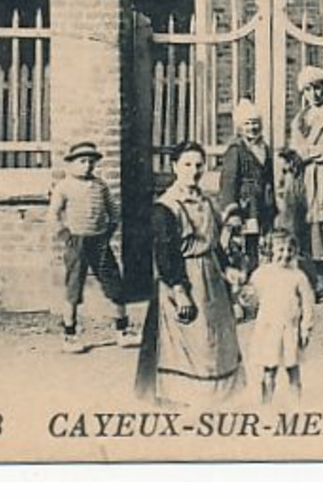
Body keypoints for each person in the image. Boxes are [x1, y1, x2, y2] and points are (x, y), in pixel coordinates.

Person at [135, 142, 244, 407]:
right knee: (188, 343)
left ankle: (216, 399)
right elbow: (166, 254)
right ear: (174, 167)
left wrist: (227, 267)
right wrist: (180, 291)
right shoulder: (166, 207)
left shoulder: (206, 201)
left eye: (198, 165)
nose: (193, 171)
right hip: (184, 279)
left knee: (215, 340)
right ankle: (183, 400)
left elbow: (213, 241)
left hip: (212, 280)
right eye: (187, 164)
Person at [47, 141, 135, 351]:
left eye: (90, 161)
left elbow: (114, 212)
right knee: (74, 289)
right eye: (82, 161)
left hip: (99, 242)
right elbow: (53, 215)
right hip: (77, 243)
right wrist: (66, 236)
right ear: (71, 164)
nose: (86, 166)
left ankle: (122, 331)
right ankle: (69, 335)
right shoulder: (64, 186)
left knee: (115, 284)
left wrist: (108, 233)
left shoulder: (100, 186)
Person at [290, 66, 323, 302]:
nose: (314, 94)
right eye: (309, 90)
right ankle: (318, 280)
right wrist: (301, 154)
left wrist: (307, 153)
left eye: (318, 88)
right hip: (306, 177)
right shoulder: (301, 118)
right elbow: (295, 146)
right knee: (310, 228)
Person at [249, 230, 316, 403]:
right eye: (280, 250)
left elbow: (308, 303)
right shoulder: (261, 274)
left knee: (292, 369)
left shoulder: (298, 276)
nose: (285, 254)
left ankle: (296, 406)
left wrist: (306, 328)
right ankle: (267, 406)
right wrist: (244, 295)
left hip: (290, 330)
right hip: (269, 329)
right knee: (269, 370)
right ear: (270, 250)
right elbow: (251, 297)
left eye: (290, 250)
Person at [218, 99, 275, 272]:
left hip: (261, 203)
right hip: (245, 205)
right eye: (248, 124)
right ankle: (244, 276)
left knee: (260, 243)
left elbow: (269, 176)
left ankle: (257, 274)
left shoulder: (264, 148)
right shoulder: (236, 150)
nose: (252, 128)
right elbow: (228, 181)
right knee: (243, 244)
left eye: (256, 123)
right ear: (241, 127)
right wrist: (231, 210)